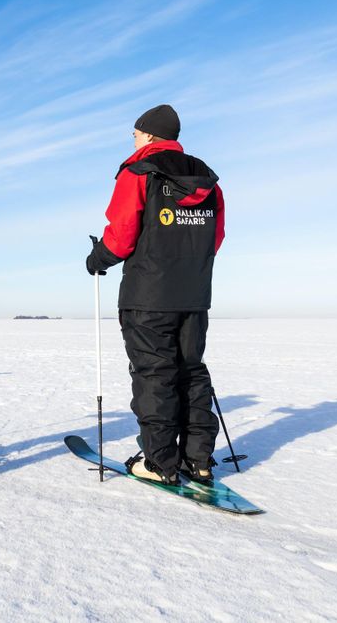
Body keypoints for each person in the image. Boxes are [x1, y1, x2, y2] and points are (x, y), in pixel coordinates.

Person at [86, 104, 225, 486]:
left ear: (148, 135)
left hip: (148, 296)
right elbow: (216, 238)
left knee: (155, 376)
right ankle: (198, 460)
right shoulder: (207, 180)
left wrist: (98, 258)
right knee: (191, 372)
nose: (132, 140)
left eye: (134, 133)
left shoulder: (138, 172)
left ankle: (160, 462)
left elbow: (122, 233)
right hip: (194, 296)